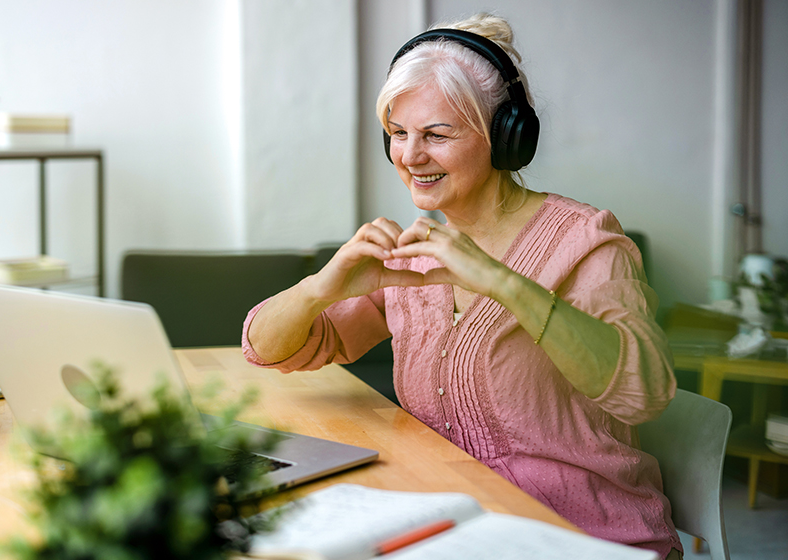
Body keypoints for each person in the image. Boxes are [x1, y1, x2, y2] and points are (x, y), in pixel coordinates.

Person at [242, 13, 682, 560]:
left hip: (582, 537)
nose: (409, 156)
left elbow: (645, 390)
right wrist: (319, 288)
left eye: (436, 135)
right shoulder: (417, 252)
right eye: (398, 134)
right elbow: (270, 351)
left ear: (504, 138)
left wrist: (503, 283)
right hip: (456, 529)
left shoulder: (588, 242)